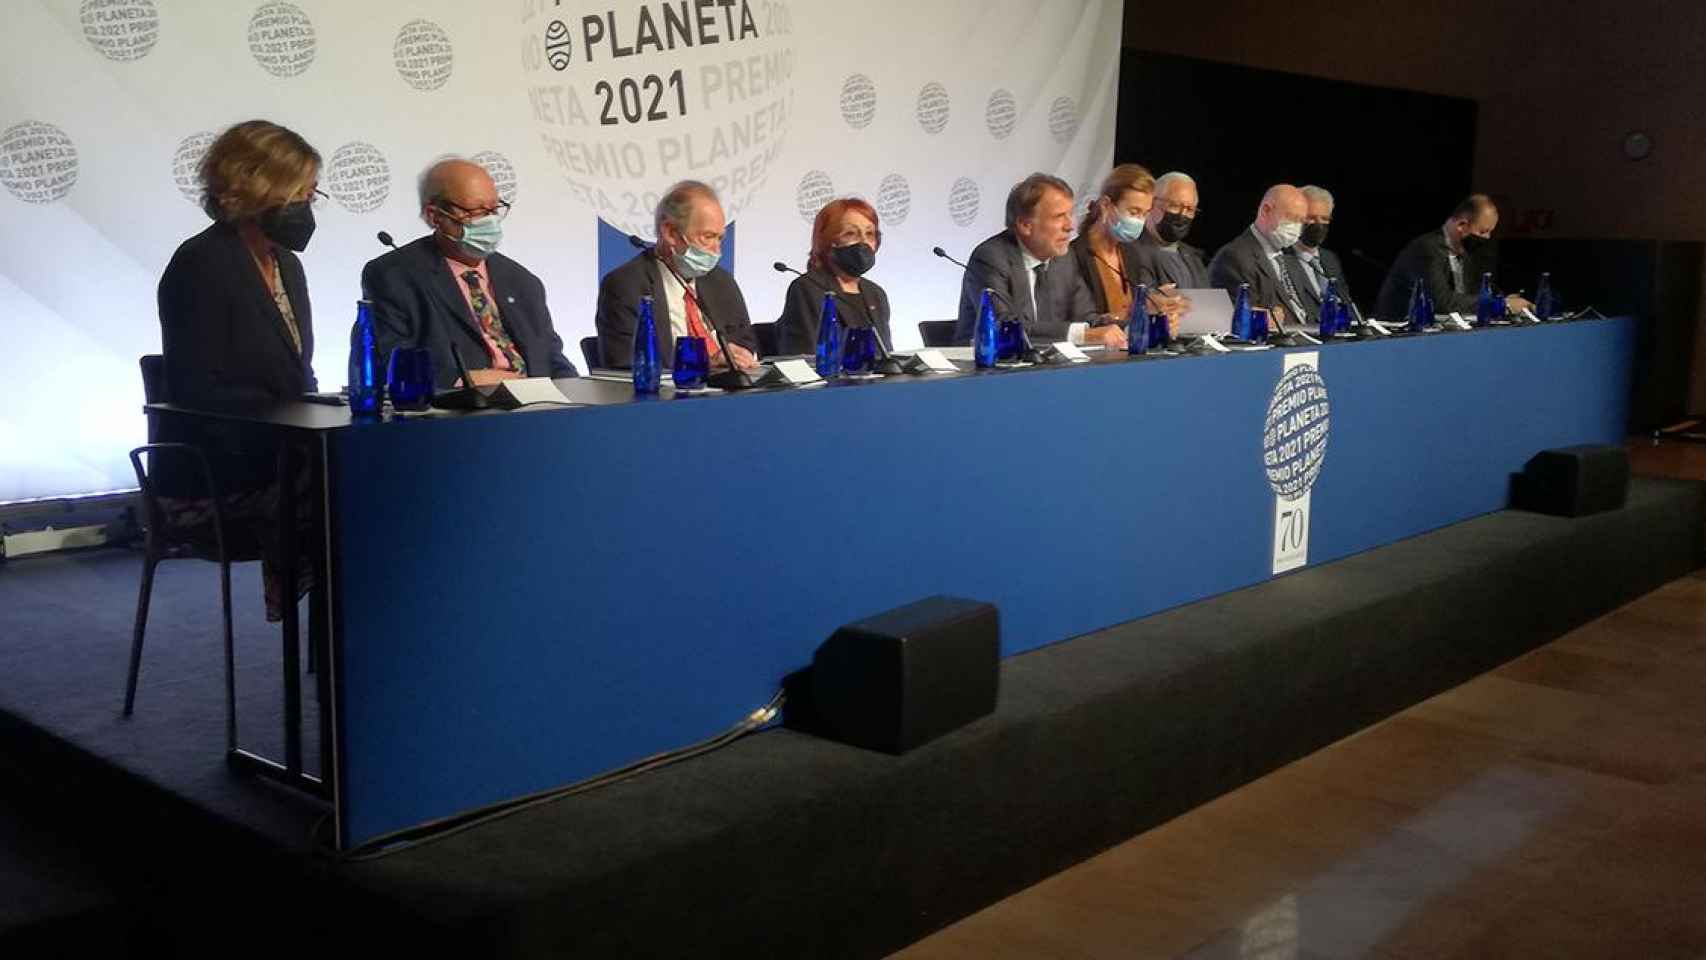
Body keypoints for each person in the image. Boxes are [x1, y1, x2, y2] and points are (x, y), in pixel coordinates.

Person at [156, 119, 321, 620]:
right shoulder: (201, 264)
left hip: (279, 455)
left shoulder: (285, 264)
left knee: (369, 479)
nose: (307, 208)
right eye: (299, 193)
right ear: (252, 186)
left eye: (314, 194)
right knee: (349, 495)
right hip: (213, 471)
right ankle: (341, 641)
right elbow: (202, 393)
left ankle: (350, 643)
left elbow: (296, 374)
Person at [363, 158, 576, 389]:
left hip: (538, 409)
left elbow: (552, 359)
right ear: (435, 216)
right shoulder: (394, 276)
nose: (491, 221)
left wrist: (576, 395)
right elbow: (392, 363)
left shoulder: (523, 281)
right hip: (462, 413)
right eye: (477, 211)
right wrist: (465, 380)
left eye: (494, 209)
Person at [596, 180, 761, 369]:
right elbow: (625, 364)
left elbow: (746, 343)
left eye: (720, 238)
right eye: (707, 237)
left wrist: (742, 356)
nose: (717, 250)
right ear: (670, 233)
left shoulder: (722, 282)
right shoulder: (625, 285)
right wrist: (703, 364)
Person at [953, 173, 1123, 349]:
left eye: (1069, 214)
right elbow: (1004, 326)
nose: (1070, 226)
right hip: (986, 368)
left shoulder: (1064, 259)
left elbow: (1086, 318)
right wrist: (1082, 335)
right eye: (1059, 216)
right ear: (1025, 225)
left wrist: (1125, 327)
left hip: (1048, 367)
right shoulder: (991, 258)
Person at [1068, 163, 1186, 338]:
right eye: (1134, 211)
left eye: (1145, 214)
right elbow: (1081, 322)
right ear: (1106, 205)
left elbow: (1145, 303)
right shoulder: (1073, 255)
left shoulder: (1133, 254)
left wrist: (1160, 306)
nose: (1139, 221)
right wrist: (1137, 311)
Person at [1376, 194, 1533, 320]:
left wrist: (1502, 299)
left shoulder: (1465, 253)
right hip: (1399, 335)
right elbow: (1442, 303)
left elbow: (1469, 297)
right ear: (1461, 226)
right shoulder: (1426, 249)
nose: (1487, 238)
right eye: (1483, 232)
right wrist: (1502, 304)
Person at [777, 197, 892, 356]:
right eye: (851, 233)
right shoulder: (808, 288)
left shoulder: (875, 293)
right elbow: (806, 356)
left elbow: (886, 356)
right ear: (828, 240)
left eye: (870, 233)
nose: (863, 242)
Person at [1208, 184, 1311, 328]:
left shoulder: (1289, 256)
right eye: (1291, 218)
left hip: (1309, 338)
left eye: (1301, 221)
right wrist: (1261, 319)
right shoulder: (1234, 257)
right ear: (1266, 211)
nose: (1297, 228)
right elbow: (1235, 320)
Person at [1282, 185, 1358, 323]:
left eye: (1324, 219)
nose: (1319, 225)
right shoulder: (1280, 258)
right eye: (1311, 218)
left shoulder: (1329, 259)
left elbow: (1346, 304)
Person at [1134, 171, 1211, 290]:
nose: (1182, 215)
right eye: (1175, 206)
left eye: (1190, 209)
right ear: (1152, 202)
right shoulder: (1131, 251)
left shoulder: (1195, 258)